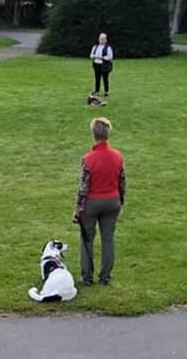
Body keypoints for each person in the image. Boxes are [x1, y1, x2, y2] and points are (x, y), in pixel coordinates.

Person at [73, 117, 125, 286]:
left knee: (87, 239)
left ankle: (87, 277)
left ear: (93, 135)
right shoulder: (117, 156)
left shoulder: (89, 159)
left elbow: (83, 187)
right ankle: (105, 278)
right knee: (108, 240)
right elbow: (122, 182)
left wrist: (78, 209)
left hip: (92, 203)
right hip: (112, 201)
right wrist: (120, 203)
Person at [90, 33, 114, 97]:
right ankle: (97, 91)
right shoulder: (95, 47)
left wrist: (101, 57)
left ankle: (106, 91)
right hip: (96, 64)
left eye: (102, 38)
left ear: (105, 40)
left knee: (105, 78)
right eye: (100, 38)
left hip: (104, 65)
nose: (101, 40)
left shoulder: (108, 48)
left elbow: (110, 57)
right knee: (97, 78)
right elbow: (91, 54)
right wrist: (93, 56)